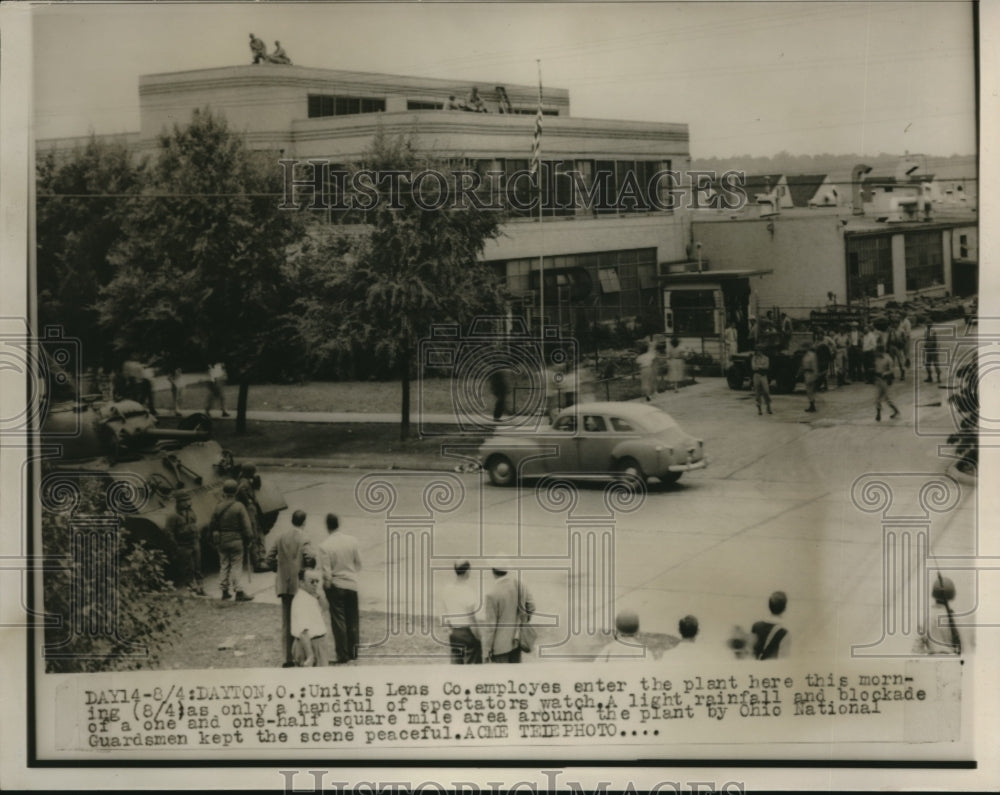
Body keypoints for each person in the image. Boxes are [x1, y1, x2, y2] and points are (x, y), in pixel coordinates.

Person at [266, 509, 310, 667]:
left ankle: (287, 658)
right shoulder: (304, 538)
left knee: (286, 622)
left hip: (284, 584)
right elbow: (309, 558)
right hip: (298, 585)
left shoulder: (280, 537)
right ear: (304, 522)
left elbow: (268, 558)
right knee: (302, 620)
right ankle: (302, 655)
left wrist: (279, 570)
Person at [319, 513, 362, 663]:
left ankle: (342, 654)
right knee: (353, 620)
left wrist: (326, 588)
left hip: (336, 584)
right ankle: (353, 651)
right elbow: (359, 564)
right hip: (352, 583)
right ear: (339, 523)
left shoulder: (324, 546)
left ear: (327, 526)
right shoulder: (352, 541)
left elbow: (326, 572)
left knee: (339, 621)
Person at [209, 479, 254, 602]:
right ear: (235, 492)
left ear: (223, 491)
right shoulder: (239, 506)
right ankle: (239, 591)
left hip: (222, 541)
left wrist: (213, 541)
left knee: (224, 565)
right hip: (236, 540)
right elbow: (246, 527)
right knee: (236, 566)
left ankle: (224, 591)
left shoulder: (218, 506)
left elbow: (212, 525)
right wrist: (249, 539)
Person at [480, 568, 533, 663]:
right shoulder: (519, 586)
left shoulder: (491, 594)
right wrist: (523, 622)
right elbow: (531, 606)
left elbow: (490, 627)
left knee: (502, 676)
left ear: (493, 572)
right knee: (515, 676)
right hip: (516, 642)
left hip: (500, 648)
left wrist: (485, 651)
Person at [440, 561, 482, 665]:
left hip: (454, 632)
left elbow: (443, 611)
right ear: (467, 571)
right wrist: (478, 636)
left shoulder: (447, 589)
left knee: (456, 664)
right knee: (472, 666)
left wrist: (448, 628)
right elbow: (471, 618)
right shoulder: (468, 591)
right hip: (466, 632)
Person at [165, 492, 205, 596]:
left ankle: (201, 588)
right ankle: (192, 589)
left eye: (188, 500)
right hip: (183, 545)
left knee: (198, 567)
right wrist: (176, 547)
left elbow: (194, 523)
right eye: (185, 501)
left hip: (194, 543)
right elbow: (169, 533)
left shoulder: (191, 512)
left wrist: (197, 537)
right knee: (188, 569)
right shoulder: (173, 516)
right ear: (179, 503)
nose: (188, 503)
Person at [913, 575, 962, 655]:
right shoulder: (954, 618)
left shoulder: (926, 617)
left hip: (932, 663)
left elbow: (916, 648)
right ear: (951, 595)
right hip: (953, 663)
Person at [291, 566, 329, 667]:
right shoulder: (301, 601)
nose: (315, 584)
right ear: (302, 583)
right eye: (312, 582)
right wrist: (310, 656)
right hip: (309, 646)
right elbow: (303, 632)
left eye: (317, 581)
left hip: (317, 644)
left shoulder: (310, 596)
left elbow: (325, 608)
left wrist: (319, 595)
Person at [236, 463, 265, 570]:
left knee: (257, 532)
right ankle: (257, 563)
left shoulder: (246, 480)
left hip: (251, 510)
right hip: (249, 511)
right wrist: (248, 501)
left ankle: (260, 558)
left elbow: (256, 487)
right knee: (253, 534)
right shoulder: (244, 483)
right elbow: (241, 490)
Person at [751, 591, 789, 660]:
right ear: (784, 608)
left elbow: (751, 652)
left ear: (769, 606)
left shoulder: (756, 626)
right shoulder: (784, 632)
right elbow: (783, 660)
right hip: (771, 668)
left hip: (755, 668)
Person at [873, 344, 900, 422]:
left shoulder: (888, 358)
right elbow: (875, 367)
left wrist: (885, 373)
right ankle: (879, 414)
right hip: (878, 379)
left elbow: (892, 370)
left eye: (877, 351)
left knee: (886, 398)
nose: (876, 353)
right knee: (878, 397)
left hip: (885, 380)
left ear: (881, 351)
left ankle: (895, 411)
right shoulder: (876, 358)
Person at [751, 344, 772, 415]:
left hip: (763, 375)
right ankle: (759, 408)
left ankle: (768, 406)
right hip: (756, 375)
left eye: (759, 350)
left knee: (766, 391)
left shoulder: (766, 358)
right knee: (757, 392)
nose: (757, 352)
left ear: (762, 351)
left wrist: (759, 366)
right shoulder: (754, 358)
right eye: (756, 350)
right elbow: (753, 367)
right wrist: (761, 367)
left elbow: (766, 366)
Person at [797, 341, 818, 413]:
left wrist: (815, 375)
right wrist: (799, 373)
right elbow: (802, 366)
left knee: (810, 390)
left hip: (811, 373)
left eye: (804, 347)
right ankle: (811, 405)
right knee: (808, 391)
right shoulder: (805, 355)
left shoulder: (812, 355)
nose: (803, 349)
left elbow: (815, 365)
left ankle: (812, 405)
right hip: (806, 373)